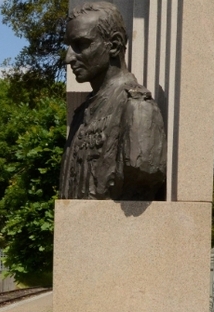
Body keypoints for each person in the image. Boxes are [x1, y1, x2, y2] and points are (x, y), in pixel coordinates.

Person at [59, 1, 167, 201]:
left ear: (114, 45)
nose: (69, 58)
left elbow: (142, 172)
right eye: (69, 46)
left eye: (81, 44)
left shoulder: (138, 109)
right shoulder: (80, 116)